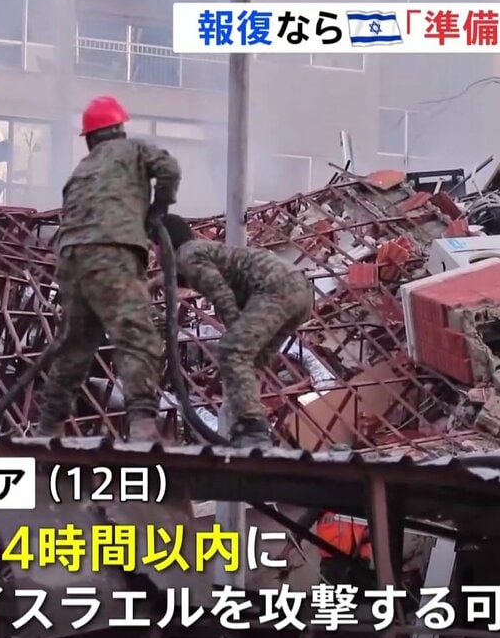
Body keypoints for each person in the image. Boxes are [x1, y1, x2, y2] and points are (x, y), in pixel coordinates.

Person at [34, 96, 181, 442]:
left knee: (74, 344)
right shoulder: (134, 150)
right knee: (135, 334)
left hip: (71, 258)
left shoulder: (80, 171)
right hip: (113, 251)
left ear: (89, 138)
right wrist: (158, 208)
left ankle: (49, 425)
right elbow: (169, 169)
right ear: (120, 130)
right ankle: (142, 423)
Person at [156, 213, 312, 447]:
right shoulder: (196, 254)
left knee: (233, 350)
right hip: (299, 292)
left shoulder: (187, 254)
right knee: (252, 362)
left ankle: (252, 431)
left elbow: (220, 293)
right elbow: (182, 277)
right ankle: (250, 430)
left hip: (278, 288)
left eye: (153, 246)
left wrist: (234, 332)